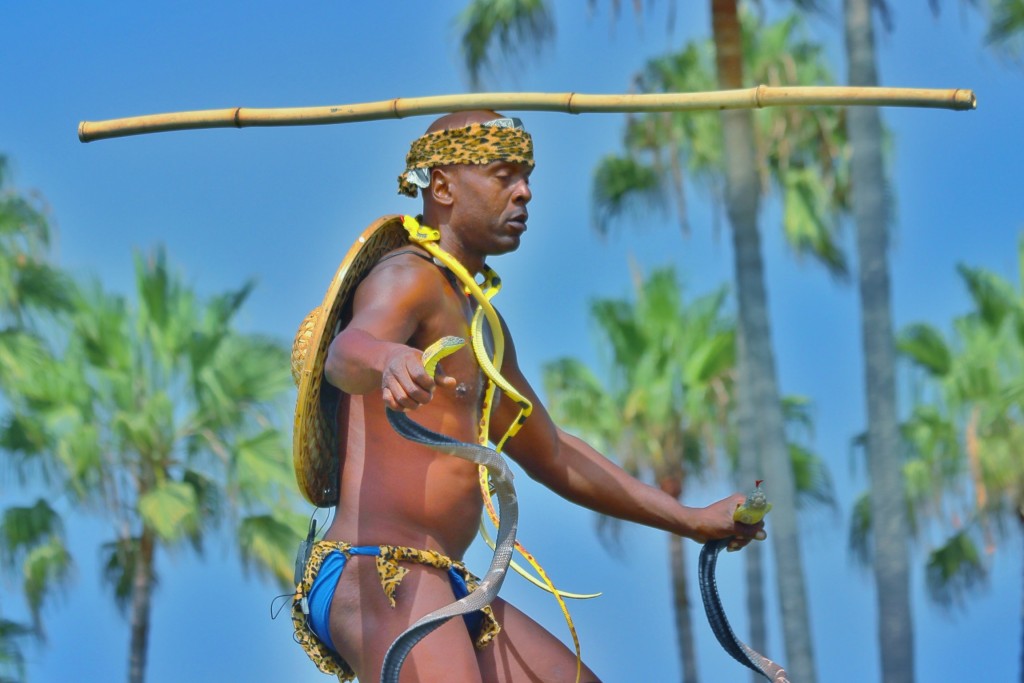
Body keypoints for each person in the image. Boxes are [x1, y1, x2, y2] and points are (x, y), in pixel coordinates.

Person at [290, 110, 766, 683]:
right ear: (442, 186)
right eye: (503, 175)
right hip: (379, 571)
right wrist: (388, 358)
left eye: (527, 177)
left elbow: (555, 454)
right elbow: (346, 352)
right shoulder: (407, 276)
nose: (525, 193)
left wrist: (689, 519)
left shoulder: (484, 328)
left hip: (445, 581)